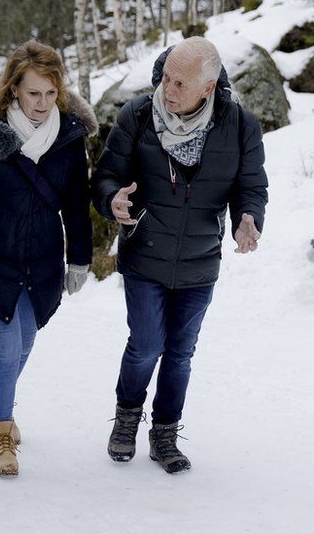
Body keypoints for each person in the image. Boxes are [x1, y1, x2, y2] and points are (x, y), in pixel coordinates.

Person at [91, 37, 268, 474]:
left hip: (199, 260)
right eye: (166, 77)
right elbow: (107, 175)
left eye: (180, 83)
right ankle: (127, 418)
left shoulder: (240, 126)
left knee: (180, 352)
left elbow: (252, 185)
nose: (167, 89)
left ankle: (165, 433)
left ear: (208, 89)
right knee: (146, 345)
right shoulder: (137, 115)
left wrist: (249, 216)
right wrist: (113, 199)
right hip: (145, 254)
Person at [0, 40, 96, 476]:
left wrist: (78, 259)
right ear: (13, 91)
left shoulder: (68, 138)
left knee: (26, 342)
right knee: (7, 350)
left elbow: (76, 206)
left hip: (42, 261)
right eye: (32, 93)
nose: (42, 103)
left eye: (50, 93)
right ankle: (3, 433)